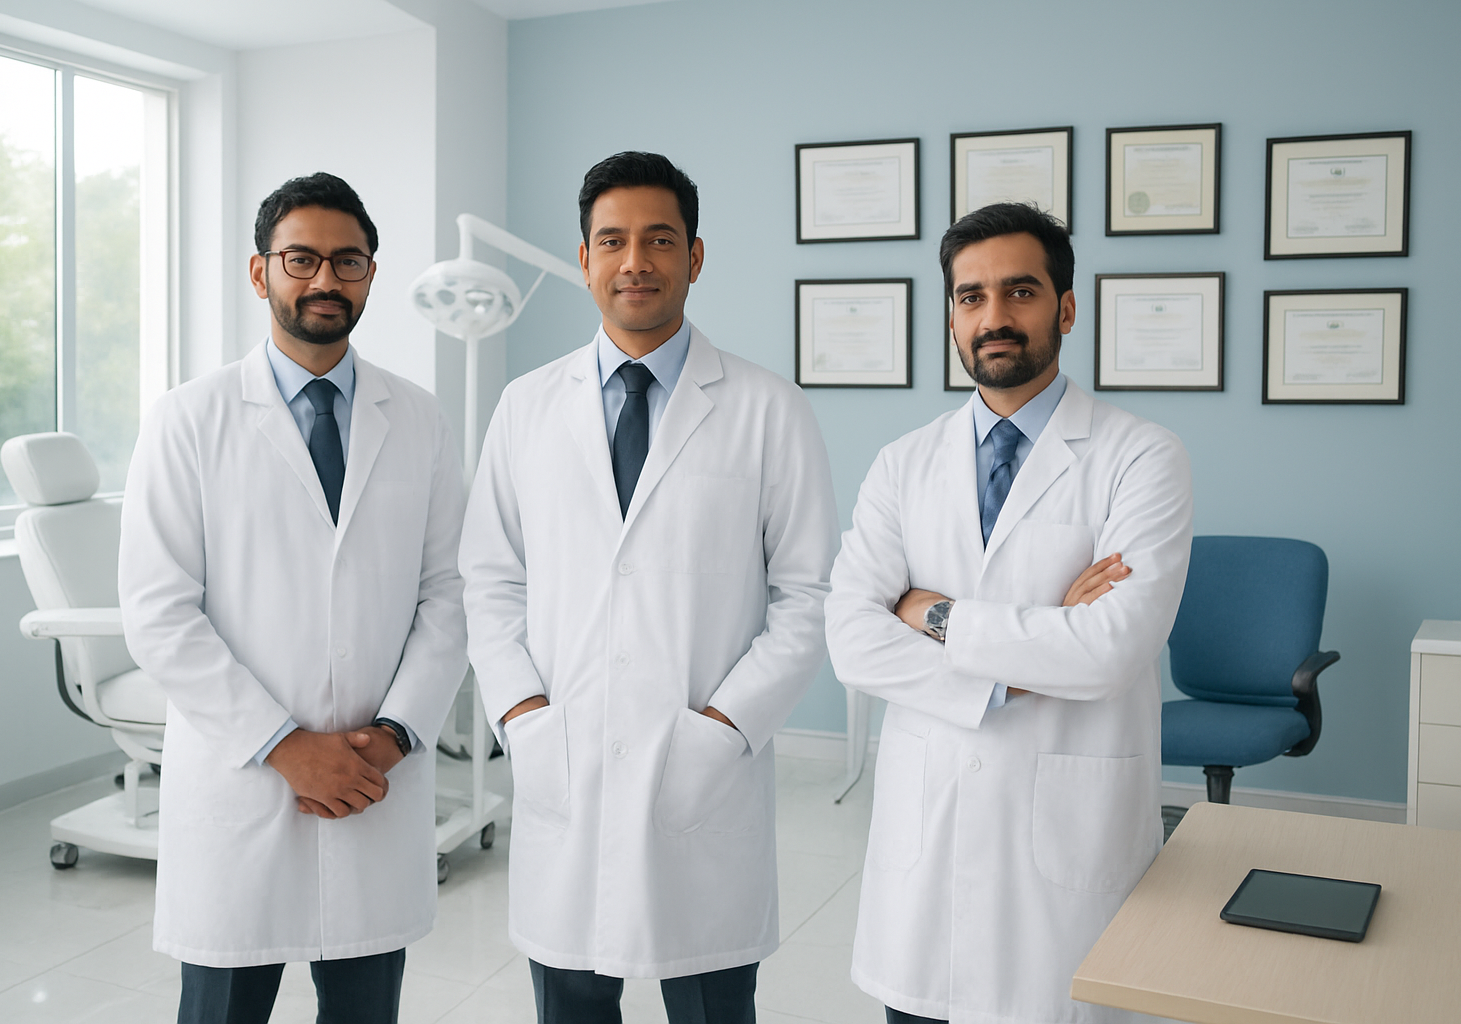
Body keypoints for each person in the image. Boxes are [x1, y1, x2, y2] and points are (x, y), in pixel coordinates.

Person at [459, 151, 838, 1024]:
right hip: (566, 760)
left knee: (709, 1002)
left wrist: (724, 728)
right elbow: (488, 578)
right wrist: (522, 715)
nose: (636, 261)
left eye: (660, 240)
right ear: (586, 256)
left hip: (700, 771)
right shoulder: (525, 406)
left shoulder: (766, 408)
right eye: (614, 240)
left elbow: (807, 593)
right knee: (571, 1004)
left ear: (695, 258)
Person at [825, 202, 1194, 1024]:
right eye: (970, 297)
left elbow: (1110, 651)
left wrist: (931, 612)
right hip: (928, 857)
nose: (994, 317)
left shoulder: (1142, 456)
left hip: (1064, 863)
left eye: (1020, 292)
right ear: (952, 314)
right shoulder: (902, 464)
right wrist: (1021, 664)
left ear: (1065, 307)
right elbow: (852, 641)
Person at [118, 172, 469, 1024]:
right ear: (259, 271)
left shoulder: (418, 418)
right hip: (245, 780)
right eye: (300, 258)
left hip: (373, 777)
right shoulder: (187, 419)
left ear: (372, 275)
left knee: (363, 1007)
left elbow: (450, 592)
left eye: (346, 261)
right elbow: (160, 610)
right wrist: (283, 745)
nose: (323, 280)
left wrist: (393, 734)